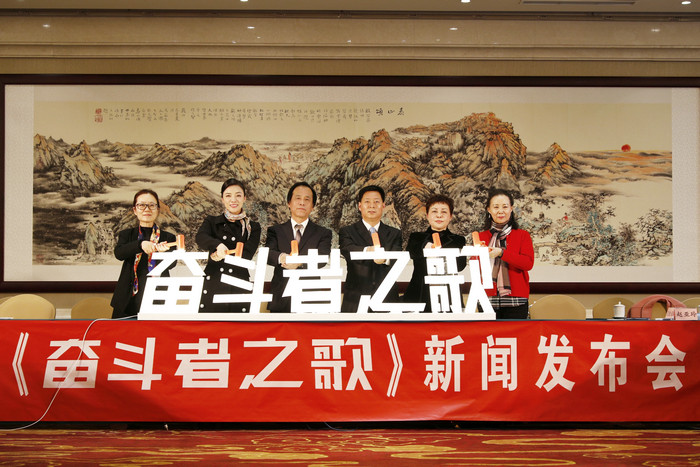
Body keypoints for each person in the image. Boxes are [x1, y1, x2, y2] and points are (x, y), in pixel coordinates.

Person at [265, 181, 332, 312]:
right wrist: (282, 258)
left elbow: (322, 258)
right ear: (289, 203)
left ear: (312, 206)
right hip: (281, 296)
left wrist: (299, 262)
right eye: (298, 198)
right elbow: (268, 254)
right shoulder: (275, 231)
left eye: (307, 199)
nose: (302, 203)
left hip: (309, 296)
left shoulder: (323, 233)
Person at [196, 178, 261, 312]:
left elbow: (247, 254)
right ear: (222, 199)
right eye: (228, 196)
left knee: (238, 324)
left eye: (238, 195)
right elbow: (200, 237)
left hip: (239, 284)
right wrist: (218, 245)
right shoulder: (212, 221)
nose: (233, 200)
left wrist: (222, 255)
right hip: (214, 282)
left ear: (244, 198)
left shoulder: (253, 227)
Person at [111, 189, 176, 319]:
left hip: (158, 296)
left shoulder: (168, 237)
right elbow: (119, 253)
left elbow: (172, 264)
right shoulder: (127, 234)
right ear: (135, 210)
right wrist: (140, 245)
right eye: (141, 205)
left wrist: (161, 253)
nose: (147, 209)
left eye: (152, 205)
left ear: (158, 209)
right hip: (128, 297)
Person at [339, 185, 402, 312]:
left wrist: (384, 259)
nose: (372, 206)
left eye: (376, 202)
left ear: (383, 206)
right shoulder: (347, 231)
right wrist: (368, 251)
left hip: (386, 298)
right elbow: (347, 250)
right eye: (367, 202)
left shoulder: (394, 233)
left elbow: (396, 256)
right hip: (356, 298)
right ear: (360, 206)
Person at [477, 188, 534, 319]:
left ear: (511, 209)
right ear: (489, 210)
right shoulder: (481, 236)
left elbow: (527, 263)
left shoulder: (522, 235)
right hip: (487, 298)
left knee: (515, 333)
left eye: (505, 206)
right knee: (488, 333)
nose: (500, 211)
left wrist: (502, 253)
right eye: (496, 207)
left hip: (516, 299)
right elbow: (477, 267)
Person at [403, 194, 466, 312]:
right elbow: (411, 252)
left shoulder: (458, 240)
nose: (439, 215)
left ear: (450, 216)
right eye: (434, 211)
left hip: (449, 294)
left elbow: (460, 265)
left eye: (444, 212)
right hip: (420, 293)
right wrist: (426, 247)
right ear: (427, 215)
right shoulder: (416, 237)